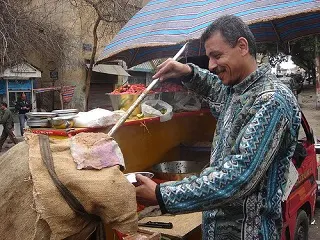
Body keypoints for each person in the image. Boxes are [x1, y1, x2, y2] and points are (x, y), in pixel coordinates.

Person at [136, 15, 301, 239]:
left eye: (217, 55)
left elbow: (238, 177)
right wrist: (189, 72)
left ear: (242, 46)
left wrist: (162, 195)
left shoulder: (272, 99)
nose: (212, 65)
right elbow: (215, 89)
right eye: (209, 58)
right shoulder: (237, 90)